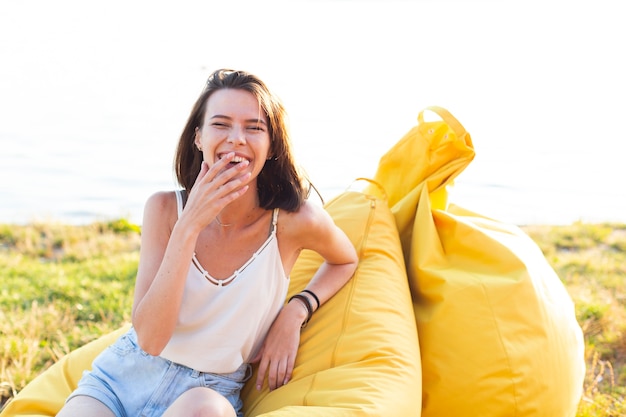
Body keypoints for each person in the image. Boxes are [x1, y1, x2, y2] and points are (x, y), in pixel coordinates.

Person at [56, 69, 358, 417]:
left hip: (208, 395)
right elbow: (151, 340)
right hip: (121, 380)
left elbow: (345, 259)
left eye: (254, 127)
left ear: (272, 143)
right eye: (221, 124)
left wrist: (296, 310)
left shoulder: (294, 221)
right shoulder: (165, 210)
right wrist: (190, 225)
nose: (237, 139)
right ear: (198, 137)